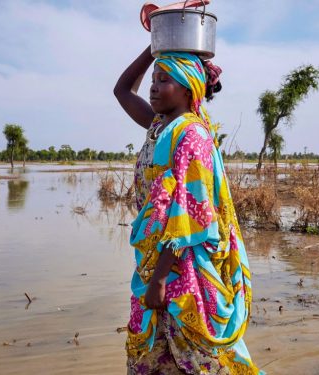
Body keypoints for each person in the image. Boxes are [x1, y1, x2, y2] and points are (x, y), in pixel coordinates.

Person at [114, 46, 262, 374]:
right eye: (153, 79)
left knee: (200, 360)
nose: (153, 86)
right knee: (153, 356)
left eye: (164, 79)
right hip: (156, 263)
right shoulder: (159, 126)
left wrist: (161, 278)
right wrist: (153, 48)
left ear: (187, 88)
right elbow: (122, 90)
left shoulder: (191, 135)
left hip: (182, 267)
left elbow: (189, 214)